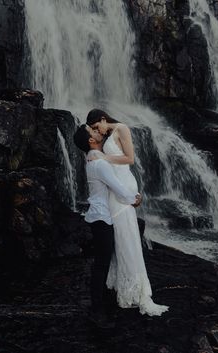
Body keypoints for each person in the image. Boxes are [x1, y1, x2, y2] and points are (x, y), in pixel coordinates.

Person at [86, 109, 169, 316]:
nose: (97, 131)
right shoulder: (103, 140)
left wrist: (103, 158)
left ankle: (135, 289)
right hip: (115, 192)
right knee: (121, 239)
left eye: (97, 126)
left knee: (129, 236)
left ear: (104, 119)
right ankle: (121, 285)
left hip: (123, 187)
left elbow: (130, 159)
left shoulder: (122, 128)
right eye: (94, 130)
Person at [73, 124, 142, 328]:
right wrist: (134, 198)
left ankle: (102, 301)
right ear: (91, 141)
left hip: (100, 217)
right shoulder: (99, 163)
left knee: (103, 261)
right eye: (93, 131)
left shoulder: (93, 158)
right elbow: (117, 186)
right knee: (101, 263)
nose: (98, 131)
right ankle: (96, 310)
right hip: (102, 218)